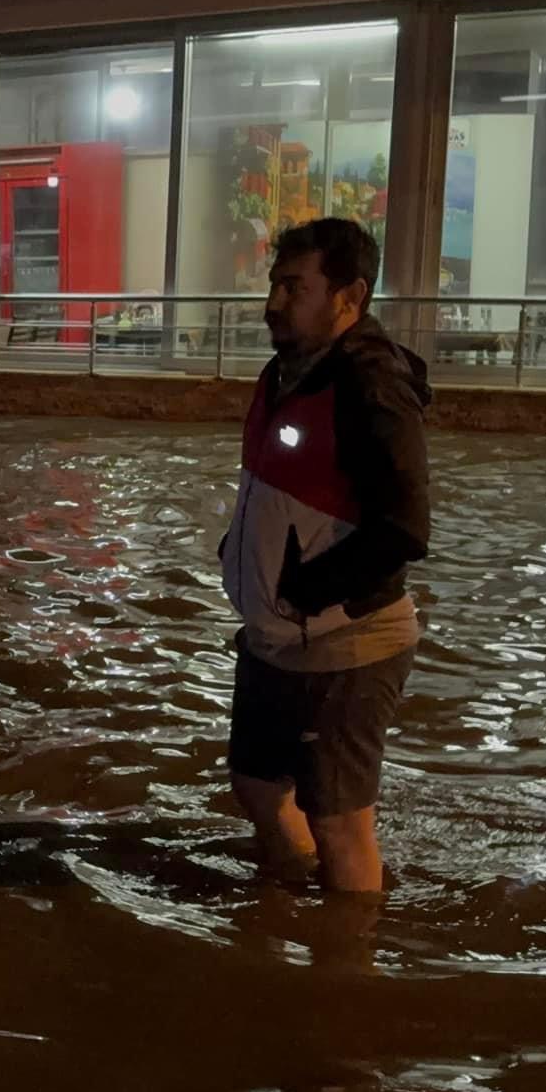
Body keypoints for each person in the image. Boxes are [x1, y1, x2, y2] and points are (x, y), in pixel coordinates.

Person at [217, 217, 431, 895]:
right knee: (256, 784)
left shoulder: (371, 387)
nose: (273, 303)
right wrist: (241, 557)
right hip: (277, 635)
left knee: (339, 821)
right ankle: (292, 903)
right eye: (275, 284)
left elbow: (405, 527)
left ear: (350, 296)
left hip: (347, 644)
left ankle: (349, 978)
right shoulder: (286, 374)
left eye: (294, 287)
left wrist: (305, 591)